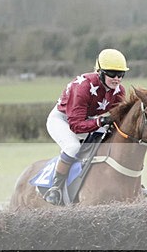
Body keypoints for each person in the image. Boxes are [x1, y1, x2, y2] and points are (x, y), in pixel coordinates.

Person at [43, 48, 129, 205]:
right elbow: (75, 125)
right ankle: (55, 188)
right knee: (73, 147)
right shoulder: (82, 86)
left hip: (87, 119)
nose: (116, 78)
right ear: (100, 71)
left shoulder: (119, 91)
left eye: (121, 74)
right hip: (62, 120)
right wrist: (101, 122)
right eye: (111, 73)